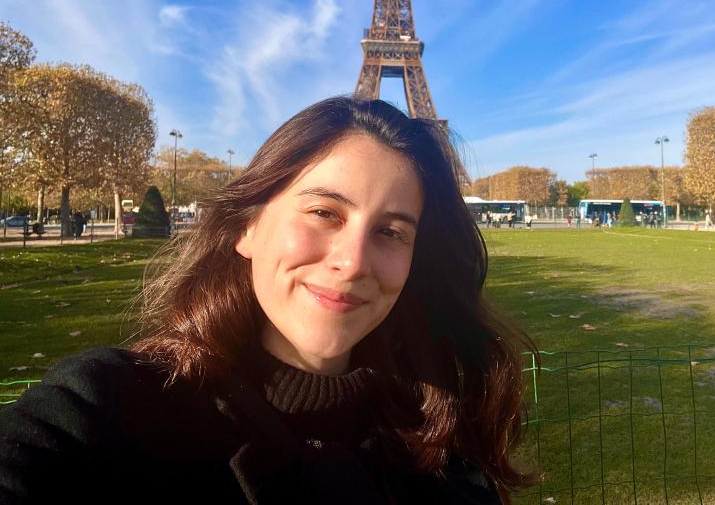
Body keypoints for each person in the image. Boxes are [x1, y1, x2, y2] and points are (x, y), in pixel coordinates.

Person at [0, 97, 535, 503]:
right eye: (325, 212)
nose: (352, 261)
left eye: (392, 232)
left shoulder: (442, 458)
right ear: (248, 228)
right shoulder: (106, 406)